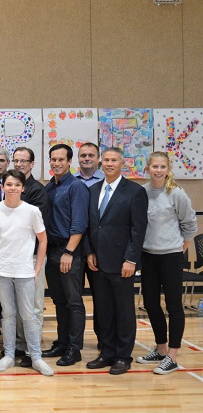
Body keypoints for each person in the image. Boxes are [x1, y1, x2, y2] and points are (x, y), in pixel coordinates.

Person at [84, 147, 148, 375]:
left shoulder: (134, 192)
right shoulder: (92, 191)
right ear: (101, 164)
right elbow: (91, 225)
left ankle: (123, 356)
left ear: (122, 164)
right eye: (106, 160)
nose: (109, 164)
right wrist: (89, 252)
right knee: (104, 311)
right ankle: (107, 352)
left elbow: (138, 230)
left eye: (114, 160)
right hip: (98, 262)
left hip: (122, 263)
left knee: (123, 311)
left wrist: (131, 259)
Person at [0, 170, 53, 376]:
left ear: (23, 188)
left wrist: (37, 267)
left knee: (29, 315)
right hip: (1, 270)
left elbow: (43, 241)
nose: (12, 188)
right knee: (8, 314)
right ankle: (8, 355)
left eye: (17, 184)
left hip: (25, 271)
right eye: (8, 184)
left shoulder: (32, 211)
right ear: (3, 187)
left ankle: (36, 356)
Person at [136, 152, 197, 374]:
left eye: (163, 166)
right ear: (148, 168)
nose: (158, 170)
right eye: (155, 166)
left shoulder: (176, 193)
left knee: (173, 305)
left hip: (171, 256)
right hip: (148, 256)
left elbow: (189, 224)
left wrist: (180, 248)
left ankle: (172, 354)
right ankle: (160, 348)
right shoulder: (141, 192)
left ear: (168, 169)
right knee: (150, 303)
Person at [43, 143, 89, 366]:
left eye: (61, 159)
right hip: (51, 251)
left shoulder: (76, 187)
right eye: (53, 159)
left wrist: (69, 252)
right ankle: (62, 342)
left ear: (70, 162)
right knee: (58, 300)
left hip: (68, 251)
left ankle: (74, 347)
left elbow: (79, 224)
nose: (57, 163)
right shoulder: (50, 187)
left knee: (73, 301)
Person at [12, 146, 48, 367]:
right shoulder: (12, 188)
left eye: (23, 161)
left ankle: (32, 348)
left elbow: (32, 226)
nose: (19, 164)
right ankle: (18, 342)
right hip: (13, 257)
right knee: (16, 305)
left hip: (32, 256)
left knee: (33, 304)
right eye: (16, 160)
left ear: (32, 164)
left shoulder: (37, 190)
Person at [73, 142, 104, 349]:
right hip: (74, 249)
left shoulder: (107, 182)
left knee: (101, 298)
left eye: (91, 155)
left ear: (98, 158)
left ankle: (104, 339)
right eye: (83, 155)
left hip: (98, 250)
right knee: (72, 299)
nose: (86, 158)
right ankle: (73, 342)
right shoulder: (70, 182)